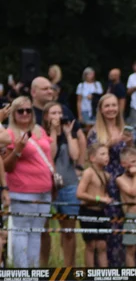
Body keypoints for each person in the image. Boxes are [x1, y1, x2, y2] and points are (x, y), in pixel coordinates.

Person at [2, 97, 53, 267]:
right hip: (22, 190)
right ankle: (22, 273)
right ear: (13, 114)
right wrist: (17, 150)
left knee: (36, 232)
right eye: (20, 111)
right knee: (21, 232)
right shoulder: (8, 134)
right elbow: (6, 167)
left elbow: (49, 156)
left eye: (28, 110)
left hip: (45, 190)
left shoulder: (39, 130)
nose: (25, 114)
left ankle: (34, 271)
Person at [87, 93, 135, 267]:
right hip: (104, 180)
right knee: (107, 222)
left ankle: (125, 264)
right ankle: (107, 265)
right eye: (107, 106)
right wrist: (110, 143)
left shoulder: (124, 128)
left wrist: (129, 144)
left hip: (124, 179)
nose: (111, 109)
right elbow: (91, 155)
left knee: (125, 222)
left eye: (114, 105)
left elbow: (131, 155)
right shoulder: (94, 132)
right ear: (100, 109)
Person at [43, 101, 84, 266]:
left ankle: (69, 267)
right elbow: (49, 155)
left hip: (69, 184)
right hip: (47, 187)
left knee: (68, 231)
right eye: (53, 113)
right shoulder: (41, 134)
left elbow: (75, 155)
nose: (57, 116)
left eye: (59, 113)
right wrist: (53, 132)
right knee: (44, 231)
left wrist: (67, 134)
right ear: (46, 116)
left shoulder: (70, 132)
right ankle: (42, 265)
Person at [76, 142, 113, 267]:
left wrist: (105, 198)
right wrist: (99, 198)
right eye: (102, 154)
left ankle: (104, 276)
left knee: (102, 245)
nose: (106, 157)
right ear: (92, 158)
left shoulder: (106, 175)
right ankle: (90, 276)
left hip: (100, 212)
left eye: (107, 154)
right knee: (91, 245)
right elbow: (80, 194)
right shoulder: (88, 173)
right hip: (88, 210)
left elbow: (103, 194)